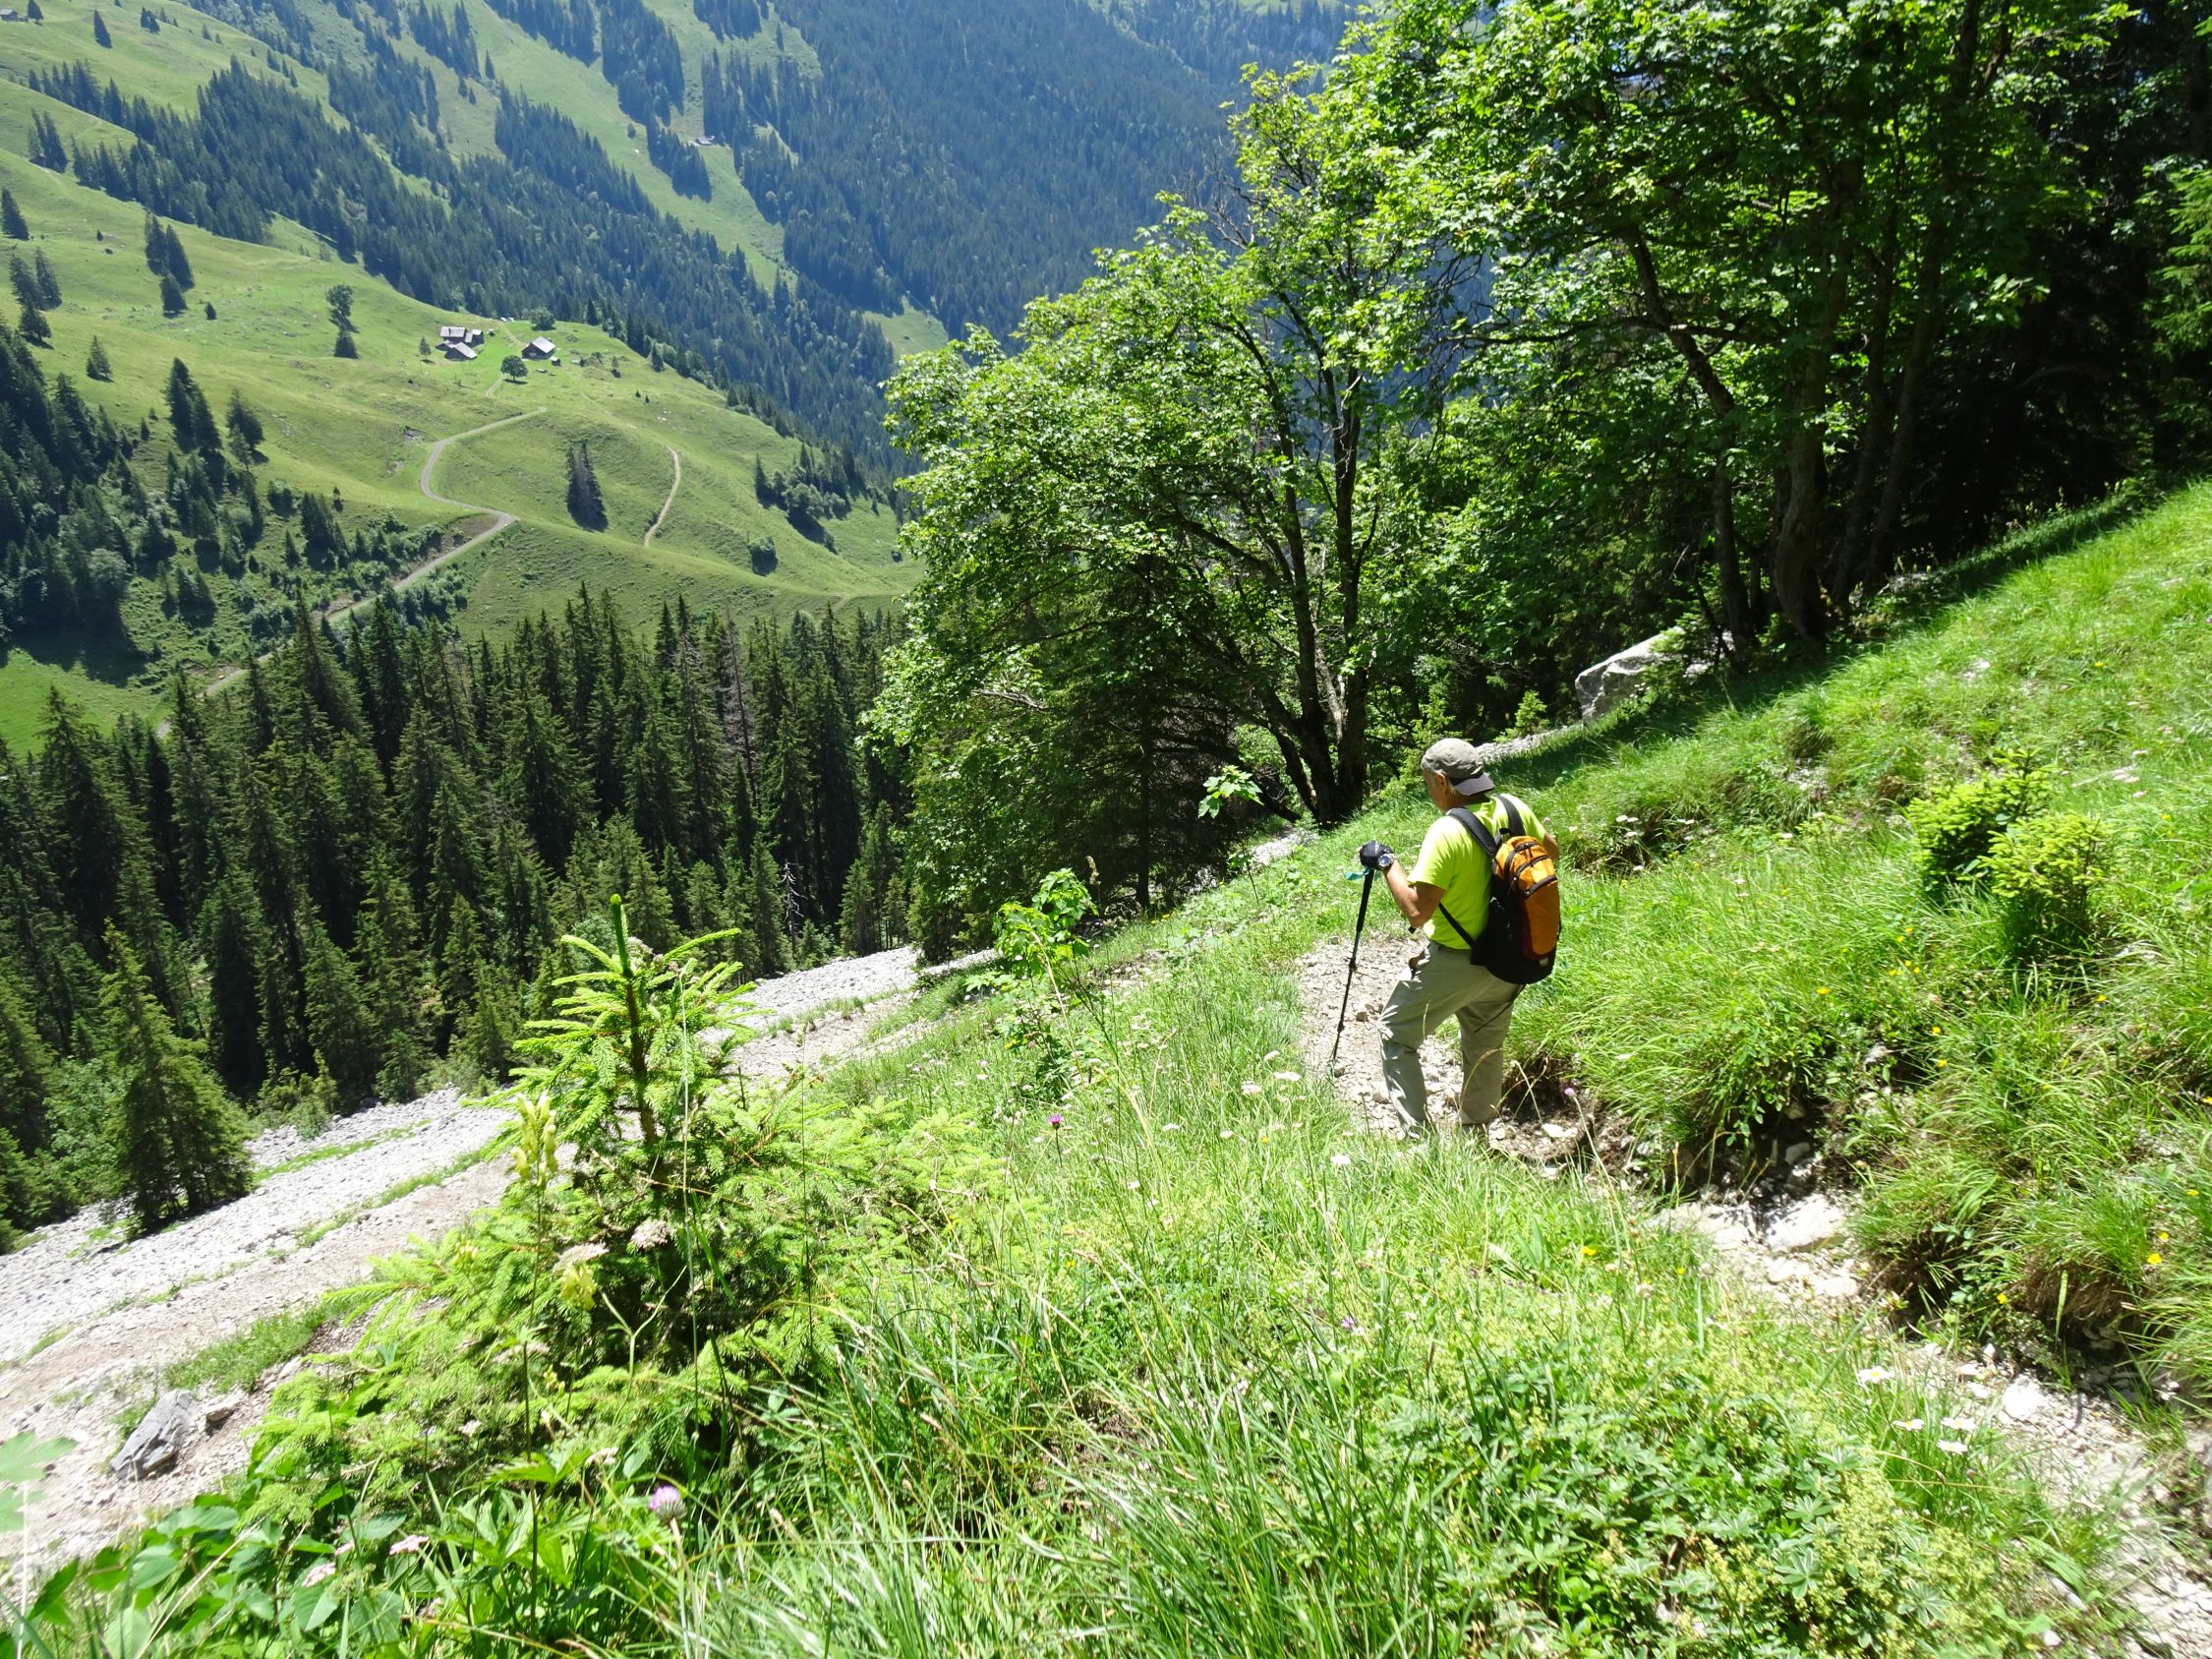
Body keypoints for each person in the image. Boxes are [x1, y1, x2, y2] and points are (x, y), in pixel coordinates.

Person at [1358, 739, 1559, 1139]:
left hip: (1456, 962)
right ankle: (1476, 1135)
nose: (1430, 793)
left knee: (1396, 1034)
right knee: (1485, 1048)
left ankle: (1419, 1139)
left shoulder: (1447, 831)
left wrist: (1387, 862)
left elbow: (1417, 911)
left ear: (1441, 781)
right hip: (1510, 959)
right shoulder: (1514, 808)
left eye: (1428, 785)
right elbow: (1551, 852)